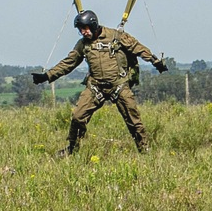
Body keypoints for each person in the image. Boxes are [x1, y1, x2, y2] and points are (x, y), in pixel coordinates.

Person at [32, 9, 168, 155]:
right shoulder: (83, 44)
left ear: (93, 25)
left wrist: (155, 61)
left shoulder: (116, 36)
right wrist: (47, 76)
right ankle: (72, 147)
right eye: (80, 30)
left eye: (84, 28)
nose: (83, 32)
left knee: (133, 120)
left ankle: (144, 150)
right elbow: (68, 63)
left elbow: (137, 48)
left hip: (119, 85)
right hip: (95, 87)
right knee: (78, 117)